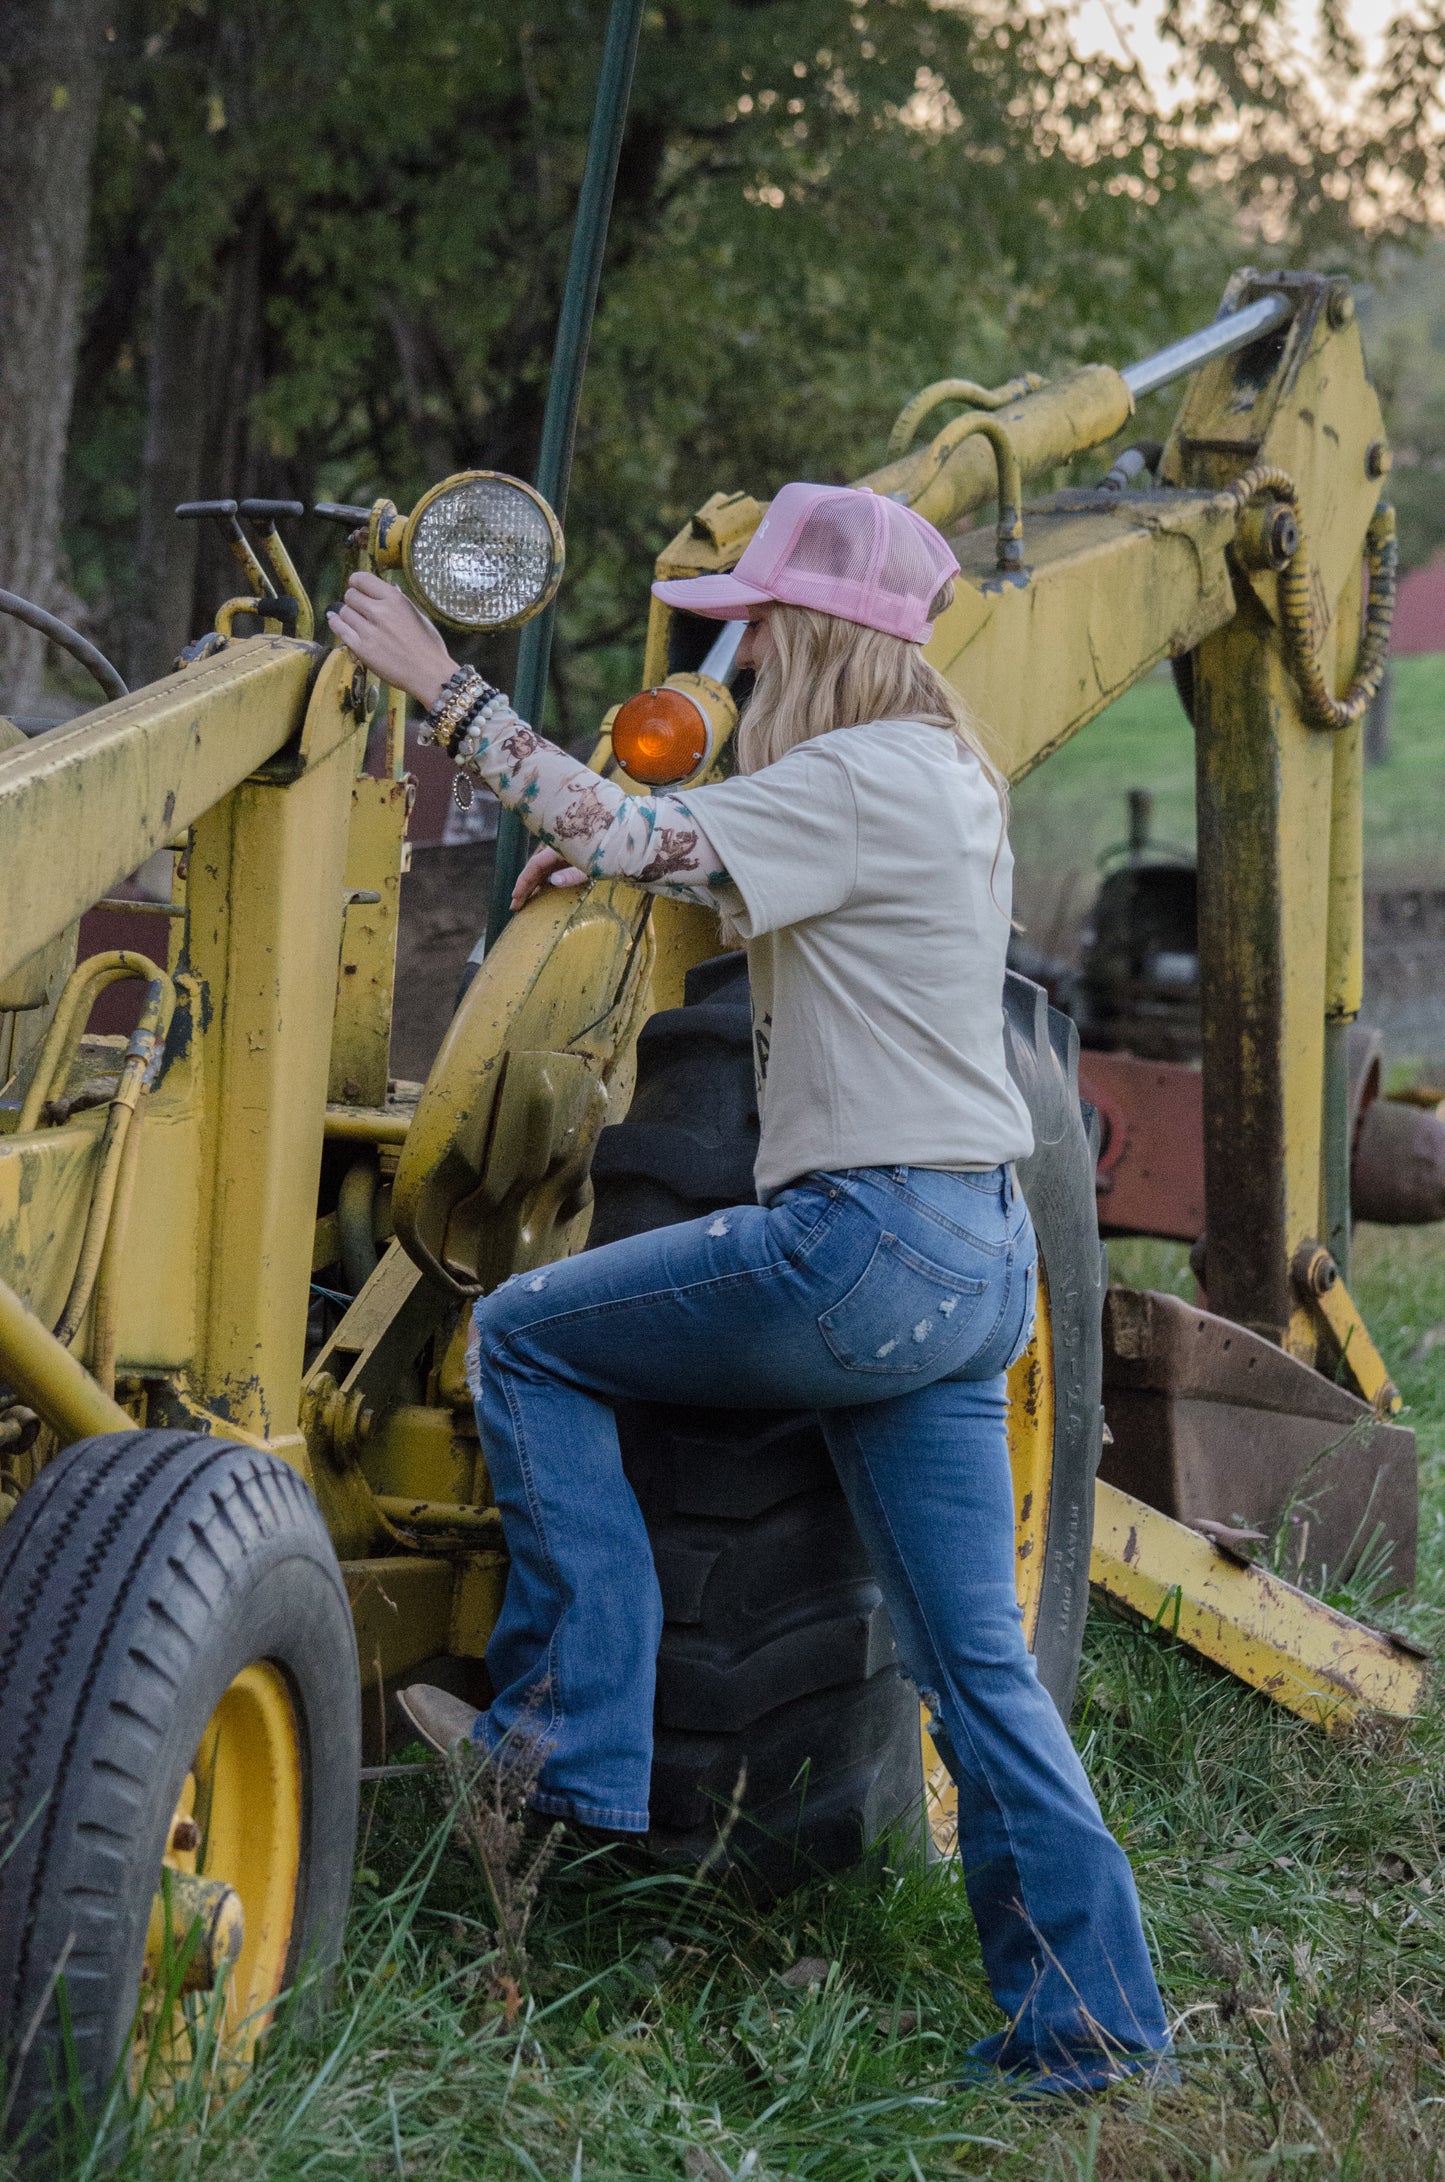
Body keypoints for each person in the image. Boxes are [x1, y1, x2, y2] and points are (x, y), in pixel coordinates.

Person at [327, 481, 1171, 2096]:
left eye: (756, 628)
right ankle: (1097, 2026)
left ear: (808, 634)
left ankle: (572, 1739)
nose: (745, 655)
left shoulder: (854, 773)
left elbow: (632, 826)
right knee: (975, 1676)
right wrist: (636, 874)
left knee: (522, 1336)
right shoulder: (937, 773)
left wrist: (443, 682)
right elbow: (757, 886)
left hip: (856, 1248)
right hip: (964, 1259)